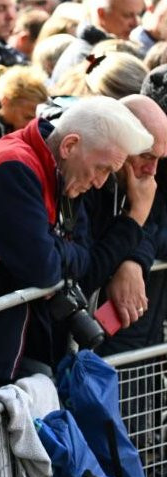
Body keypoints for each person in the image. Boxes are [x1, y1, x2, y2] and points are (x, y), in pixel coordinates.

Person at [0, 96, 154, 403]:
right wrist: (56, 250)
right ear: (69, 145)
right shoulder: (15, 165)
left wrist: (51, 247)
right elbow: (43, 268)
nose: (99, 182)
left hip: (24, 353)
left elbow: (84, 262)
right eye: (101, 169)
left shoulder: (66, 173)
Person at [88, 95, 167, 356]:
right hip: (82, 346)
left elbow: (154, 228)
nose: (153, 170)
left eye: (160, 159)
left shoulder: (142, 181)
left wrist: (133, 261)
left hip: (136, 334)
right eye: (146, 156)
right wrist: (136, 215)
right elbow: (84, 270)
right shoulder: (89, 180)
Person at [51, 0, 144, 83]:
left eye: (138, 14)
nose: (136, 23)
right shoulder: (84, 58)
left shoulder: (128, 45)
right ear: (102, 13)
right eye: (127, 15)